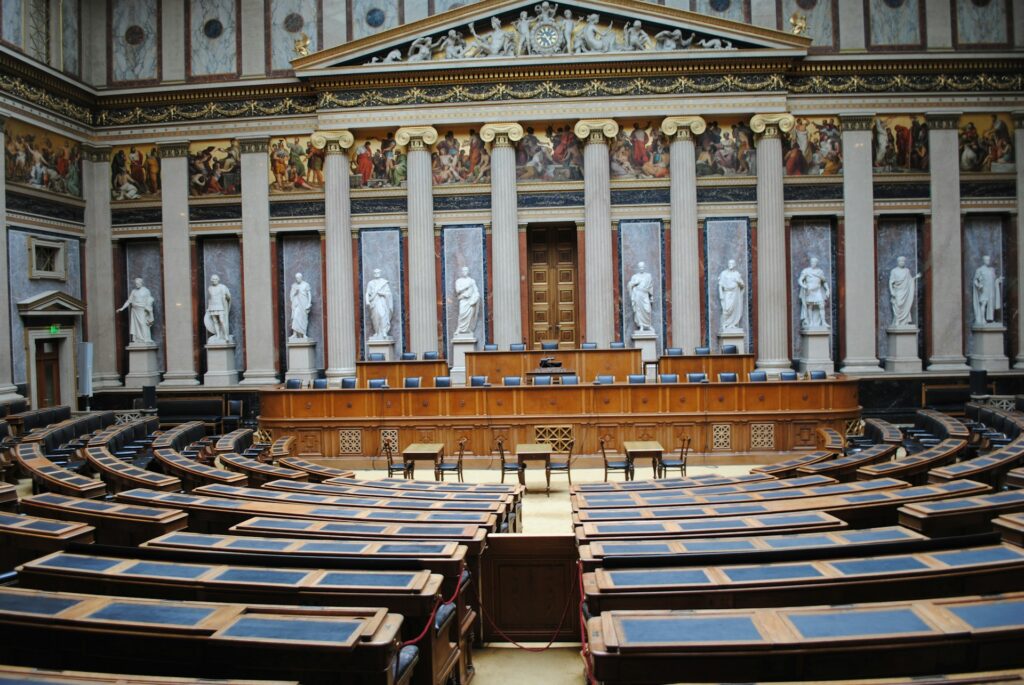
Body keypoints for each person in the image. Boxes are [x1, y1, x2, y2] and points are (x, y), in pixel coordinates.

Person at [117, 277, 155, 345]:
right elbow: (129, 301)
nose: (136, 285)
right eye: (135, 283)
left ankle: (146, 338)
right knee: (136, 326)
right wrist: (122, 308)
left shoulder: (146, 291)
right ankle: (138, 339)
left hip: (143, 310)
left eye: (137, 283)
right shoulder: (133, 291)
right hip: (135, 310)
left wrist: (149, 311)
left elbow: (150, 300)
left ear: (141, 283)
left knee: (143, 324)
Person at [798, 256, 829, 329]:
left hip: (817, 290)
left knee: (821, 305)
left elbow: (824, 281)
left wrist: (827, 289)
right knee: (810, 306)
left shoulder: (820, 271)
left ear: (816, 263)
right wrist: (804, 286)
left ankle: (823, 322)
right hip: (810, 290)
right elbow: (800, 280)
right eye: (812, 262)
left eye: (814, 262)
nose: (813, 263)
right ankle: (811, 322)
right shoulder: (806, 271)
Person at [888, 256, 920, 328]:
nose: (902, 263)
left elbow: (909, 280)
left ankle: (904, 321)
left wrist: (915, 278)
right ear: (898, 262)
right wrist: (892, 291)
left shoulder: (907, 271)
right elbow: (891, 282)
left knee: (906, 305)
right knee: (898, 305)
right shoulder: (894, 271)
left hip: (906, 292)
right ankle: (897, 320)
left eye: (903, 261)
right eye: (900, 261)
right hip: (898, 291)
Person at [972, 254, 1002, 326]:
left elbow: (994, 280)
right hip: (984, 290)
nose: (988, 261)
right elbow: (975, 280)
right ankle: (982, 319)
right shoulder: (980, 270)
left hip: (991, 290)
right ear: (983, 261)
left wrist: (998, 280)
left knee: (991, 304)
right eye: (986, 260)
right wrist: (979, 285)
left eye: (989, 260)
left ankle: (990, 320)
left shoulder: (991, 270)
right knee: (984, 303)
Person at [365, 268, 393, 340]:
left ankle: (383, 331)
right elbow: (367, 293)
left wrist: (382, 293)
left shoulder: (384, 283)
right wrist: (367, 301)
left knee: (382, 315)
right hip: (374, 302)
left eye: (378, 273)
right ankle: (377, 332)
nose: (376, 274)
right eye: (375, 273)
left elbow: (389, 294)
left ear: (380, 273)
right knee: (375, 317)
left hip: (382, 301)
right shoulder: (370, 283)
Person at [718, 259, 745, 332]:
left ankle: (733, 324)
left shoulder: (737, 274)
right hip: (727, 293)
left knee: (735, 309)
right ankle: (725, 323)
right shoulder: (724, 273)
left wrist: (739, 282)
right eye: (729, 263)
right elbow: (720, 285)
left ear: (735, 264)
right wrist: (721, 294)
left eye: (732, 263)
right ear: (728, 264)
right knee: (727, 308)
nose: (731, 265)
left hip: (735, 294)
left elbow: (742, 285)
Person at [204, 274, 232, 343]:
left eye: (215, 279)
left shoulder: (222, 287)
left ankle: (225, 335)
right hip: (213, 306)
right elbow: (210, 299)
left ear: (218, 280)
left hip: (220, 306)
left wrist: (226, 296)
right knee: (215, 321)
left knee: (222, 321)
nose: (214, 280)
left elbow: (228, 297)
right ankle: (218, 335)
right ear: (211, 280)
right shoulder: (210, 288)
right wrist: (208, 308)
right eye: (213, 279)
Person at [627, 261, 654, 332]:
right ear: (638, 268)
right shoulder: (635, 276)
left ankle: (648, 325)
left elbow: (650, 286)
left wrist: (651, 296)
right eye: (640, 267)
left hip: (645, 294)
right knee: (639, 310)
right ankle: (641, 325)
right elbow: (629, 285)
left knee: (647, 310)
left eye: (642, 267)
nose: (641, 268)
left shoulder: (648, 276)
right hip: (638, 294)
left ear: (644, 267)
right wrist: (635, 283)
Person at [454, 266, 480, 335]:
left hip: (470, 301)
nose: (464, 272)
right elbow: (457, 291)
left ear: (468, 272)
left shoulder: (472, 281)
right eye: (463, 271)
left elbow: (476, 291)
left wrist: (476, 298)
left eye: (466, 271)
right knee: (462, 314)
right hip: (463, 300)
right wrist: (466, 286)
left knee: (469, 317)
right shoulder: (458, 281)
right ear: (461, 272)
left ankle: (468, 329)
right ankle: (459, 329)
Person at [289, 272, 313, 340]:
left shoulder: (306, 285)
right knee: (295, 317)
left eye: (298, 278)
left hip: (304, 303)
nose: (297, 279)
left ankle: (304, 334)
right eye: (296, 278)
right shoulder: (294, 286)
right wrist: (295, 293)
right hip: (296, 304)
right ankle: (295, 334)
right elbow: (291, 296)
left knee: (304, 318)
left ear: (301, 278)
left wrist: (309, 303)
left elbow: (309, 294)